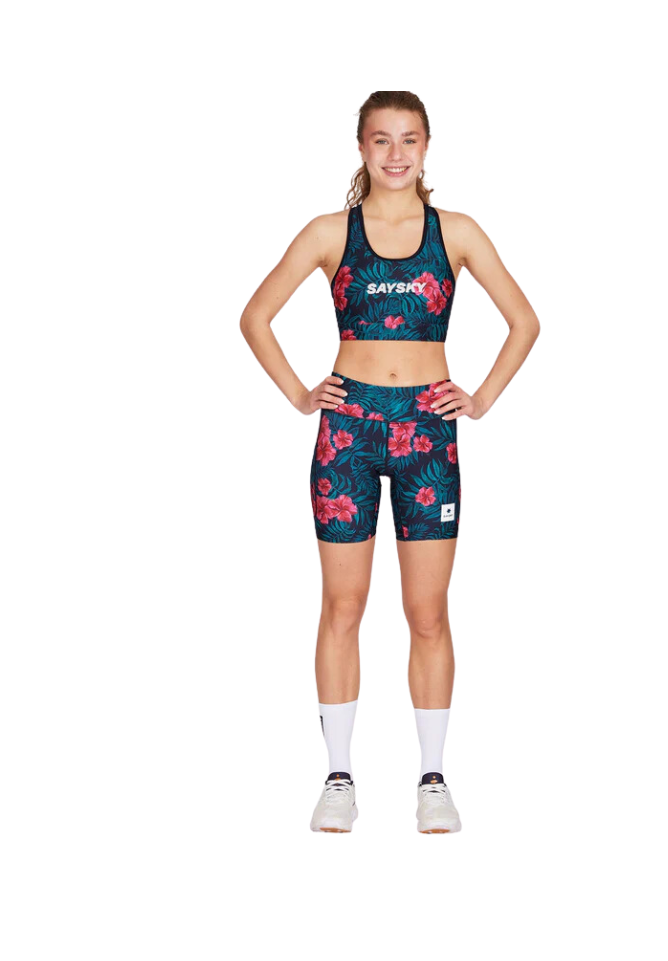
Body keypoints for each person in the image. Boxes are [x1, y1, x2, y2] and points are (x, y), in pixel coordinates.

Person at [239, 91, 540, 834]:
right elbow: (255, 316)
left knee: (427, 613)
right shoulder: (329, 232)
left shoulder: (455, 231)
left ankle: (432, 778)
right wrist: (300, 394)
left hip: (427, 433)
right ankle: (338, 776)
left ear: (427, 145)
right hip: (348, 430)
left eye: (409, 139)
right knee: (342, 606)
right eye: (381, 139)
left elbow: (525, 321)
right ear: (362, 147)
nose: (396, 154)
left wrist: (481, 399)